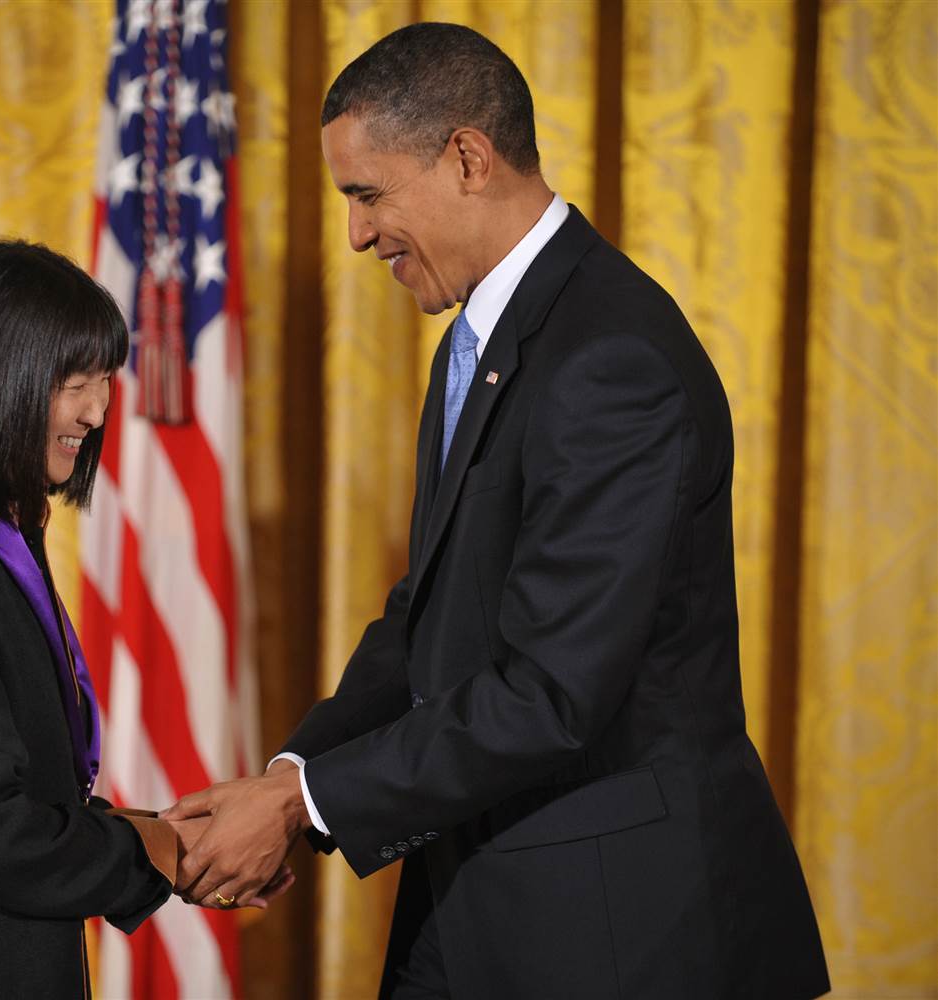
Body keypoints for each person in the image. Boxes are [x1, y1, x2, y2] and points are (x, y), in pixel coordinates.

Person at [163, 23, 830, 1000]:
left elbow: (548, 692)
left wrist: (306, 804)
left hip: (615, 934)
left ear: (466, 157)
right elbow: (427, 620)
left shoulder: (609, 357)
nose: (354, 235)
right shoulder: (480, 338)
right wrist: (293, 770)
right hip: (486, 902)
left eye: (365, 194)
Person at [0, 241, 288, 998]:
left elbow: (26, 795)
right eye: (76, 383)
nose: (98, 412)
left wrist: (166, 841)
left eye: (103, 381)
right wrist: (157, 851)